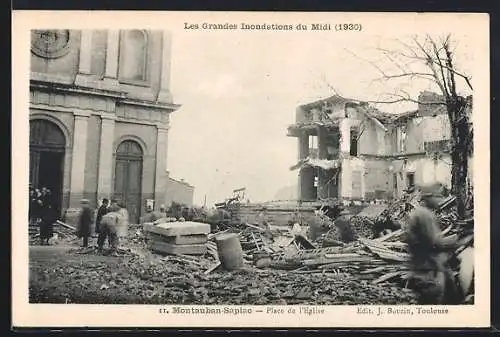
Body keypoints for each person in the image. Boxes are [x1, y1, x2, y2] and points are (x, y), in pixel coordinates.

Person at [405, 185, 462, 304]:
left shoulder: (418, 213)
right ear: (429, 197)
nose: (440, 200)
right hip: (429, 271)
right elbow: (435, 243)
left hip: (420, 268)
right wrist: (457, 240)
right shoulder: (425, 215)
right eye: (438, 196)